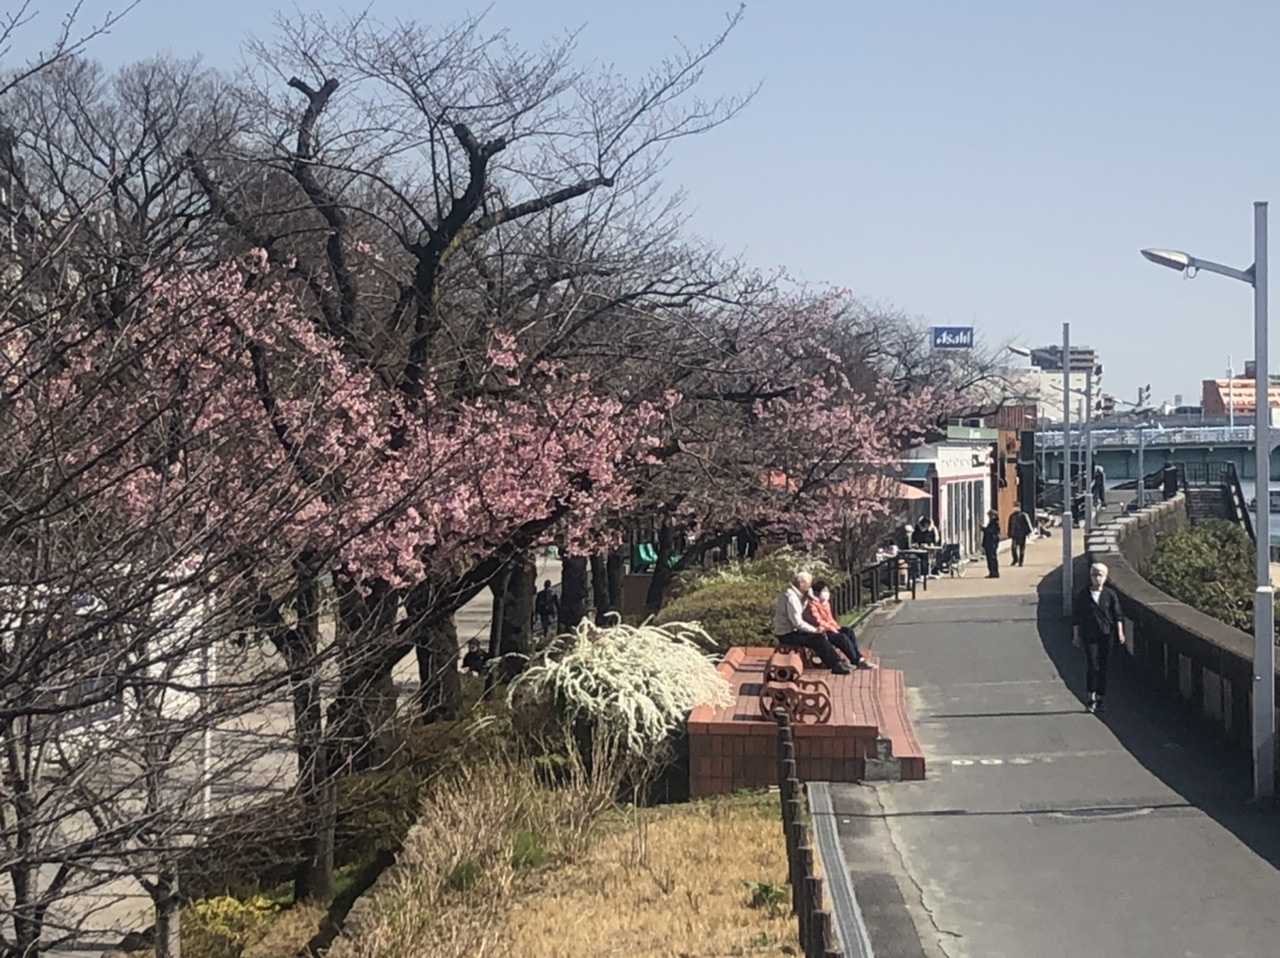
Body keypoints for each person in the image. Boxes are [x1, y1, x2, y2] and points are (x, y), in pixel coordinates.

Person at [1072, 562, 1126, 714]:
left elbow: (1117, 615)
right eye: (1094, 575)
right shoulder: (1083, 595)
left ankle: (1101, 697)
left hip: (1106, 634)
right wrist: (1076, 635)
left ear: (1105, 577)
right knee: (1092, 665)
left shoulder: (1110, 595)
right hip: (1090, 635)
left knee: (1103, 667)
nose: (1097, 578)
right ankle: (1091, 697)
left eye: (1100, 575)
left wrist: (1120, 632)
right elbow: (1077, 617)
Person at [772, 572, 849, 674]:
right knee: (817, 639)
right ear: (801, 584)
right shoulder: (791, 597)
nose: (810, 587)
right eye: (808, 584)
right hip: (787, 634)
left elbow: (800, 612)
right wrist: (815, 630)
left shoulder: (796, 595)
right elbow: (797, 622)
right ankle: (835, 665)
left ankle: (836, 661)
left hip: (793, 631)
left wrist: (808, 598)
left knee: (820, 635)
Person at [805, 579, 875, 670]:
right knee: (841, 638)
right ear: (817, 593)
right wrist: (832, 629)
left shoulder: (825, 603)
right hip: (820, 631)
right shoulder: (812, 605)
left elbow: (830, 618)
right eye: (824, 591)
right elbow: (817, 621)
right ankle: (856, 660)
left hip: (829, 628)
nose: (826, 593)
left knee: (848, 631)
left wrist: (836, 627)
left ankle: (858, 657)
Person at [981, 509, 1001, 578]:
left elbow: (991, 532)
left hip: (992, 543)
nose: (989, 517)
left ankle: (994, 572)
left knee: (992, 558)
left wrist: (984, 529)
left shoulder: (995, 523)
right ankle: (991, 572)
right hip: (989, 543)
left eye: (990, 515)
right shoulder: (991, 523)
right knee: (990, 558)